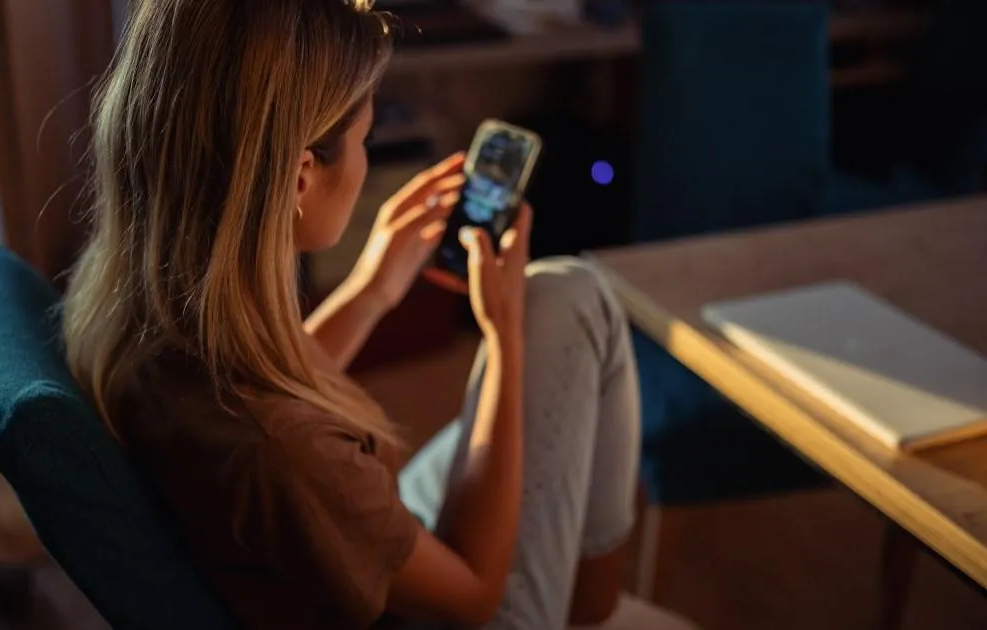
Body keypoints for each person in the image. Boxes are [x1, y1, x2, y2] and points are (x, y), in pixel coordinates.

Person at [61, 1, 696, 628]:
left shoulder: (138, 324)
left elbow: (267, 389)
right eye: (365, 139)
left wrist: (373, 290)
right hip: (436, 598)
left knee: (562, 306)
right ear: (301, 178)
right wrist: (503, 340)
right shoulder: (288, 456)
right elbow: (475, 597)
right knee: (576, 299)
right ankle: (593, 616)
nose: (367, 166)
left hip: (353, 548)